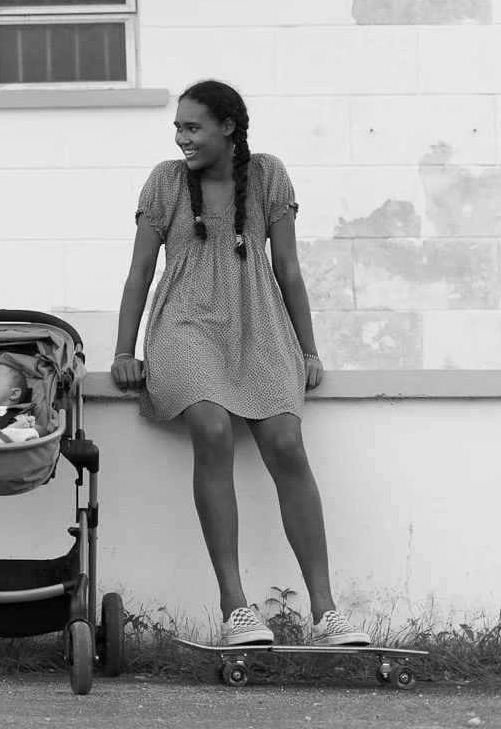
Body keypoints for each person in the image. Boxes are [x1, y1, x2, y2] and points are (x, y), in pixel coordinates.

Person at [111, 79, 369, 647]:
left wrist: (308, 348)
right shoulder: (166, 182)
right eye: (177, 127)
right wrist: (124, 351)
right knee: (212, 427)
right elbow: (139, 274)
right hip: (185, 324)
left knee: (285, 442)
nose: (181, 137)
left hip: (259, 323)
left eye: (191, 126)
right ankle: (235, 609)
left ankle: (326, 613)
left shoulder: (270, 175)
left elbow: (290, 270)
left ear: (228, 127)